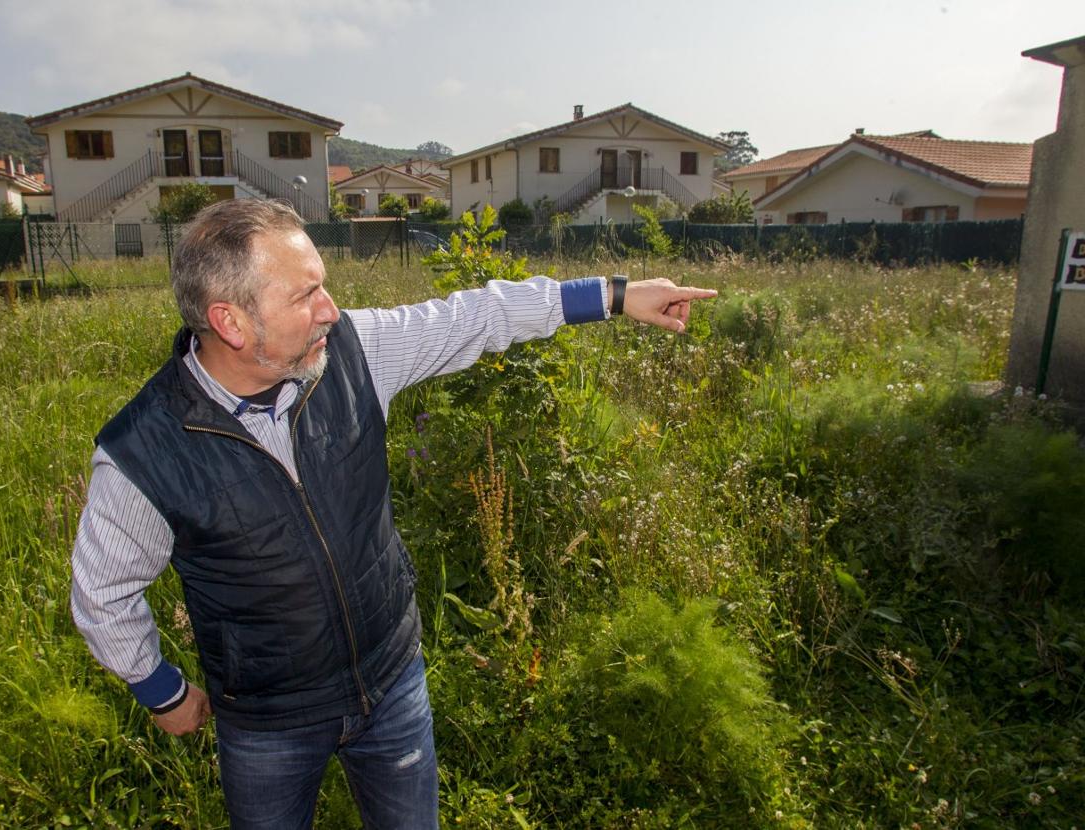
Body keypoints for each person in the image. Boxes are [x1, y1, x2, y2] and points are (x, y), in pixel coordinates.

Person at [70, 198, 716, 829]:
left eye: (323, 285)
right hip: (269, 724)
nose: (331, 309)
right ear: (232, 323)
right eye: (305, 296)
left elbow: (474, 317)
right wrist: (163, 692)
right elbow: (102, 594)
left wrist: (614, 294)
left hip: (392, 681)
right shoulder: (142, 453)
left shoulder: (351, 353)